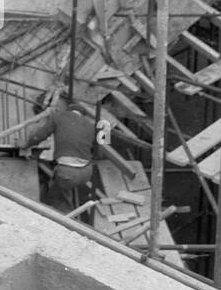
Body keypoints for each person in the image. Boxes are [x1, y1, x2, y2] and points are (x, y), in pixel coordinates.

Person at [21, 92, 135, 223]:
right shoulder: (91, 125)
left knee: (55, 201)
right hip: (86, 172)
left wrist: (25, 145)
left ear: (68, 109)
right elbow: (99, 152)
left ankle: (67, 225)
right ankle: (72, 214)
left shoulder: (58, 117)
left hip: (67, 173)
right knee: (63, 190)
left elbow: (39, 136)